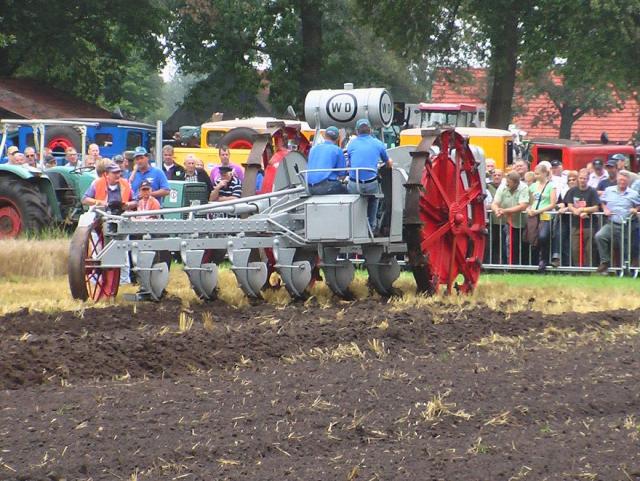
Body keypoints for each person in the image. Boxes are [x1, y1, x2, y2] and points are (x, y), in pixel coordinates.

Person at [346, 118, 393, 232]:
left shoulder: (351, 144)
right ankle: (371, 227)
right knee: (374, 198)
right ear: (370, 130)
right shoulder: (378, 144)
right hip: (370, 184)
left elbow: (350, 164)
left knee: (351, 194)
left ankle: (353, 226)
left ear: (357, 131)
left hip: (354, 184)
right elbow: (388, 163)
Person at [595, 171, 640, 273]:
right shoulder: (609, 190)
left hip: (628, 225)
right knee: (600, 236)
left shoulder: (634, 193)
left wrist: (635, 209)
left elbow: (638, 204)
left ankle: (628, 270)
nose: (622, 182)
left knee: (626, 248)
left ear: (628, 181)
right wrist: (605, 209)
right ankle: (605, 261)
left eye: (624, 180)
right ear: (617, 180)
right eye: (620, 180)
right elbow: (602, 201)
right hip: (612, 223)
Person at [563, 168, 600, 267]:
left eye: (584, 178)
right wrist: (575, 211)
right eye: (580, 178)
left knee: (589, 248)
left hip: (589, 224)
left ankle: (588, 269)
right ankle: (577, 268)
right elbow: (569, 204)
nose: (582, 180)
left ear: (588, 179)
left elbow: (596, 207)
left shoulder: (592, 191)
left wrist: (583, 210)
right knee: (575, 248)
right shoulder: (572, 191)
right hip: (575, 224)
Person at [491, 171, 530, 264]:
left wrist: (505, 211)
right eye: (507, 182)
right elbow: (494, 203)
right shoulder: (503, 186)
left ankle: (522, 266)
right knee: (509, 243)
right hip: (508, 221)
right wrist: (497, 210)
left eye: (509, 183)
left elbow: (523, 206)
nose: (507, 184)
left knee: (522, 244)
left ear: (516, 183)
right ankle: (510, 265)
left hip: (522, 221)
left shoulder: (524, 187)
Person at [527, 163, 557, 271]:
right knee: (533, 238)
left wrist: (539, 211)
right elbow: (529, 202)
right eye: (535, 174)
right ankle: (535, 262)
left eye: (538, 174)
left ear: (544, 173)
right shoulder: (533, 186)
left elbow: (553, 203)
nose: (536, 176)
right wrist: (529, 209)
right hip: (533, 216)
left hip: (546, 216)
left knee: (543, 237)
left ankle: (544, 259)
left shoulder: (551, 186)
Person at [306, 126, 347, 195]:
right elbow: (342, 175)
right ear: (337, 138)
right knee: (348, 191)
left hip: (309, 187)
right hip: (327, 187)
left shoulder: (313, 149)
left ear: (324, 136)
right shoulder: (337, 150)